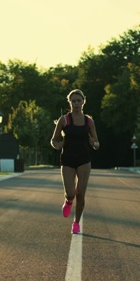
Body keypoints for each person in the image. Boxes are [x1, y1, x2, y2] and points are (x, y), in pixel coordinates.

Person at [50, 89, 100, 234]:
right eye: (73, 101)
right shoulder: (64, 120)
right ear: (70, 102)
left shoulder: (88, 121)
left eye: (79, 100)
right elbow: (53, 139)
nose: (76, 103)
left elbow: (96, 141)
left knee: (81, 194)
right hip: (67, 160)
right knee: (71, 193)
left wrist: (95, 144)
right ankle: (68, 201)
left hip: (84, 160)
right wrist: (57, 145)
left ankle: (76, 223)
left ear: (83, 102)